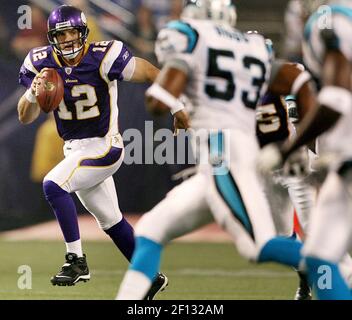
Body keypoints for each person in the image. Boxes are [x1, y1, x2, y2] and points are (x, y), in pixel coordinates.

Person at [116, 0, 316, 300]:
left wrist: (165, 95)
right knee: (149, 231)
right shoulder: (252, 46)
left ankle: (340, 270)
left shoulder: (193, 39)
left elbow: (158, 101)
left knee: (258, 245)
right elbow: (298, 78)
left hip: (226, 151)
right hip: (224, 156)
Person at [17, 4, 167, 299]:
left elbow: (149, 71)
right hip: (74, 150)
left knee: (54, 184)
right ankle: (151, 278)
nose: (68, 40)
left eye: (73, 33)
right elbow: (25, 116)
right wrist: (33, 92)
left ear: (83, 33)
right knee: (111, 221)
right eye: (62, 35)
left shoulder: (104, 54)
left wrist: (176, 104)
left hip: (104, 145)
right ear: (52, 38)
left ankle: (76, 261)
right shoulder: (41, 63)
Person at [258, 0, 352, 299]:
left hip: (311, 163)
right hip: (331, 163)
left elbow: (333, 104)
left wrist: (288, 151)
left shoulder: (329, 24)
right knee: (319, 253)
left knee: (322, 249)